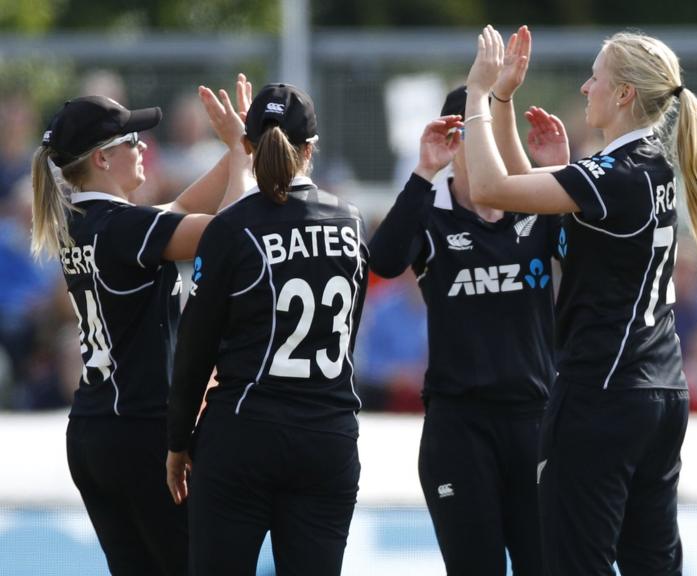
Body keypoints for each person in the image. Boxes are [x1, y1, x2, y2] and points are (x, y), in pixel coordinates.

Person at [462, 26, 697, 575]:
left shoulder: (616, 176)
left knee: (576, 561)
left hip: (602, 389)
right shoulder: (642, 169)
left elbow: (488, 189)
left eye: (595, 76)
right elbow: (523, 181)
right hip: (659, 390)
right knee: (651, 563)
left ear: (623, 94)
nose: (584, 87)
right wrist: (504, 100)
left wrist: (478, 94)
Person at [30, 77, 251, 575]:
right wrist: (241, 159)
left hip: (92, 432)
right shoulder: (126, 228)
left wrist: (239, 149)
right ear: (102, 159)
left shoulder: (86, 222)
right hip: (139, 430)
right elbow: (234, 234)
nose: (142, 147)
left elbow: (180, 209)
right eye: (130, 140)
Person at [369, 26, 560, 575]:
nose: (487, 154)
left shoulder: (534, 210)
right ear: (456, 146)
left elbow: (599, 260)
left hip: (535, 421)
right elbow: (382, 262)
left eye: (495, 140)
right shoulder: (430, 218)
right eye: (473, 141)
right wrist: (422, 171)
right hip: (460, 426)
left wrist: (554, 173)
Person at [165, 82, 368, 576]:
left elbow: (195, 346)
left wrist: (177, 441)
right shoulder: (353, 223)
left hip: (244, 433)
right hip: (328, 436)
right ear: (311, 150)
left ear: (248, 147)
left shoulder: (232, 228)